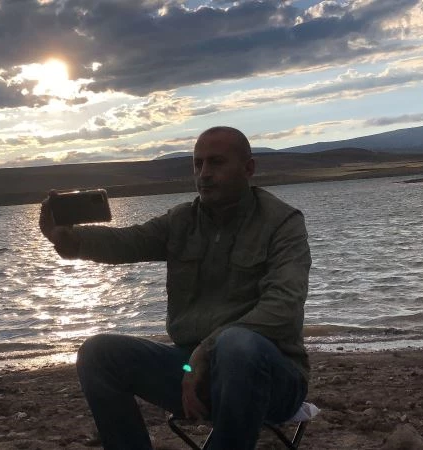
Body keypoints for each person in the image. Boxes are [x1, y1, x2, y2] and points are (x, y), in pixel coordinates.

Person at [38, 126, 310, 449]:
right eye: (198, 164)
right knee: (98, 354)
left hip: (271, 377)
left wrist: (207, 349)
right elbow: (127, 242)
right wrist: (67, 240)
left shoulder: (282, 223)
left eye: (216, 162)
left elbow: (284, 307)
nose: (204, 173)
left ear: (248, 168)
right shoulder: (181, 221)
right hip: (188, 369)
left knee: (237, 345)